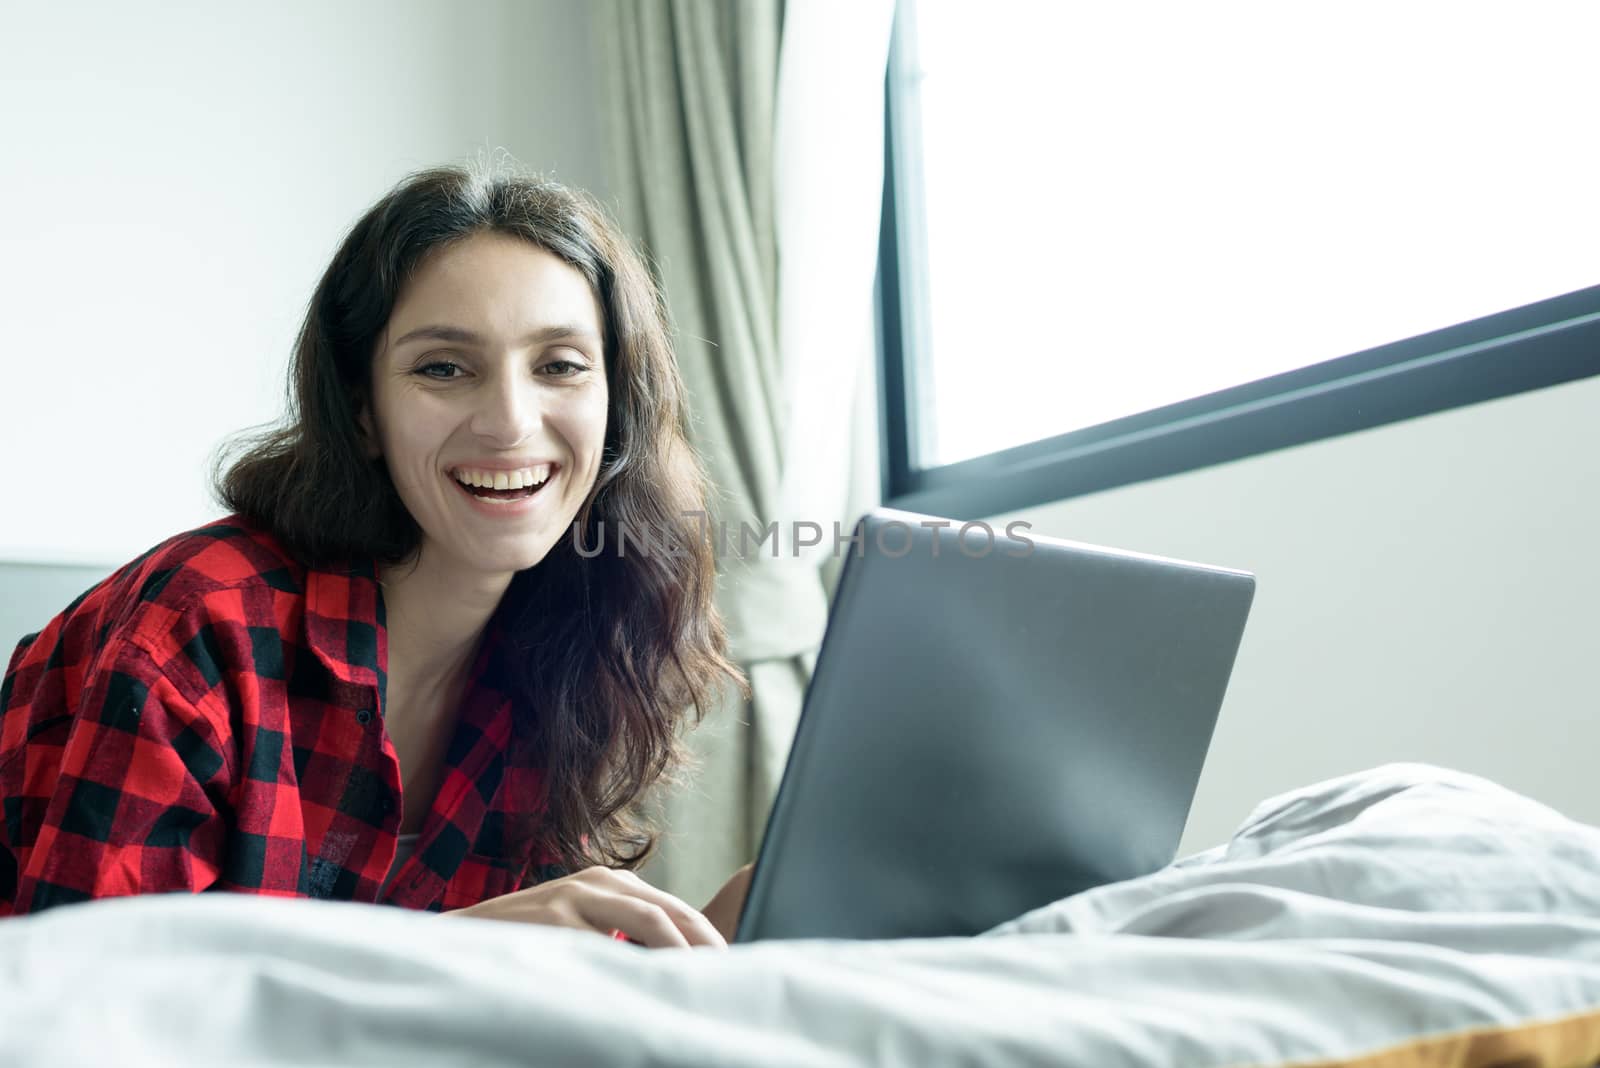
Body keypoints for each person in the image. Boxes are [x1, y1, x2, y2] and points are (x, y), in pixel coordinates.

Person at [0, 163, 754, 947]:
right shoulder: (200, 625)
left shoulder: (564, 651)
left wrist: (712, 949)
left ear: (616, 407)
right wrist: (447, 954)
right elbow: (93, 1012)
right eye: (443, 368)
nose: (509, 422)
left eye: (559, 365)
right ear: (363, 411)